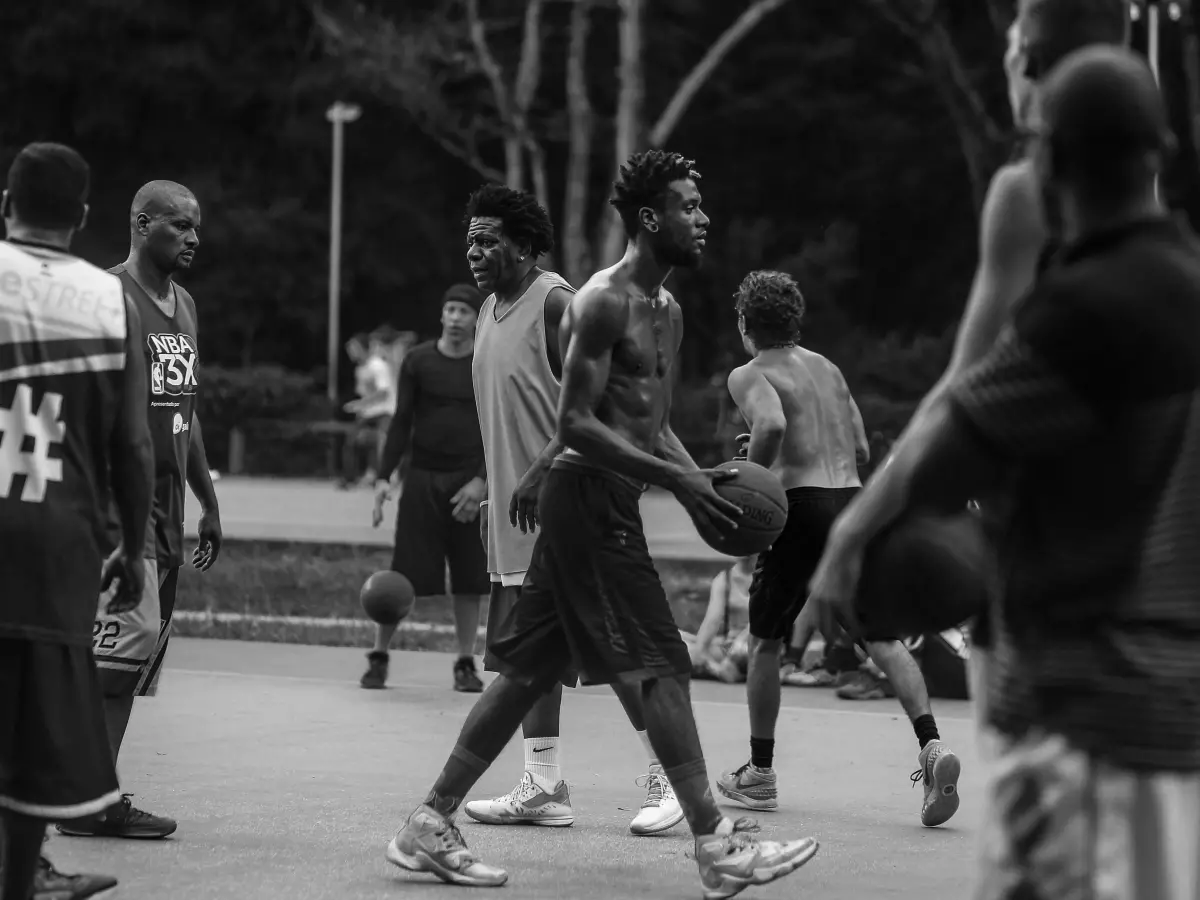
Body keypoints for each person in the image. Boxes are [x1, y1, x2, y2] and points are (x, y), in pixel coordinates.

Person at [814, 45, 1200, 899]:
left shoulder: (1076, 313)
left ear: (1049, 162)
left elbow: (942, 468)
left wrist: (867, 550)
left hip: (1077, 716)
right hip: (1176, 720)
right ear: (1161, 155)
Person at [384, 151, 819, 897]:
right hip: (585, 500)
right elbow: (577, 422)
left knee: (525, 671)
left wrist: (697, 477)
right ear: (650, 219)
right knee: (658, 663)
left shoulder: (667, 312)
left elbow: (648, 422)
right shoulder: (600, 301)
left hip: (605, 498)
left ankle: (429, 819)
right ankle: (714, 840)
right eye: (688, 205)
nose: (703, 218)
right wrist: (676, 479)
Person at [813, 0, 1132, 748]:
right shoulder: (1149, 197)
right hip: (1142, 563)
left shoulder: (1030, 193)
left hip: (1046, 562)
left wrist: (855, 528)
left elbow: (963, 389)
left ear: (1025, 58)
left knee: (1038, 832)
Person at [463, 182, 683, 835]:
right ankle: (543, 784)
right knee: (526, 659)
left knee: (612, 645)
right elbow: (505, 413)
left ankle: (665, 778)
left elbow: (598, 405)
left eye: (489, 239)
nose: (475, 251)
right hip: (515, 515)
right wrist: (490, 488)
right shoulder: (487, 310)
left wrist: (538, 471)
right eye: (470, 239)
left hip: (568, 503)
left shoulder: (557, 302)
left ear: (526, 245)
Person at [715, 271, 960, 827]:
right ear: (796, 321)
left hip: (800, 507)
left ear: (745, 325)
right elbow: (857, 443)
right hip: (850, 501)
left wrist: (755, 467)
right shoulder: (827, 368)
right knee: (881, 634)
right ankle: (932, 746)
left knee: (766, 643)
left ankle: (759, 773)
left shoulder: (747, 372)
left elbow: (773, 422)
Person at [0, 143, 153, 899]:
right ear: (85, 217)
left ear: (6, 205)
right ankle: (22, 879)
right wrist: (131, 539)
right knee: (33, 717)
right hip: (60, 536)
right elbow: (132, 440)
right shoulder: (106, 297)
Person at [58, 180, 224, 842]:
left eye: (196, 228)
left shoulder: (183, 304)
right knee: (103, 661)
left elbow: (185, 407)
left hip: (169, 511)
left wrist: (208, 499)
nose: (192, 238)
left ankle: (95, 794)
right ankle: (74, 798)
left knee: (130, 664)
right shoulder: (105, 297)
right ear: (139, 223)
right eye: (179, 226)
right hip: (117, 511)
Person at [365, 284, 490, 692]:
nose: (456, 318)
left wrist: (481, 482)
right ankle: (379, 657)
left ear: (477, 319)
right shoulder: (418, 360)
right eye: (450, 310)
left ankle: (465, 663)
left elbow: (497, 429)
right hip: (422, 480)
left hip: (468, 485)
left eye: (464, 312)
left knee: (471, 578)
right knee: (403, 576)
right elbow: (401, 421)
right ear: (441, 315)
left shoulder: (486, 364)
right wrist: (385, 477)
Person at [683, 556, 754, 684]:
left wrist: (741, 642)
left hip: (757, 644)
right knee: (684, 646)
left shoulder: (769, 578)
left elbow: (762, 620)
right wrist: (700, 651)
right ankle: (713, 667)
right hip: (728, 645)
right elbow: (712, 621)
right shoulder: (724, 579)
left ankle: (715, 667)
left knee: (739, 656)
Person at [340, 331, 396, 487]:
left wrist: (359, 404)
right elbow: (363, 393)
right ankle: (350, 477)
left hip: (385, 411)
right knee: (351, 441)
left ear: (361, 348)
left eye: (353, 348)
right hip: (368, 412)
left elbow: (383, 393)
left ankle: (383, 476)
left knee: (382, 443)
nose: (350, 352)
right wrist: (361, 407)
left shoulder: (377, 365)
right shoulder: (360, 369)